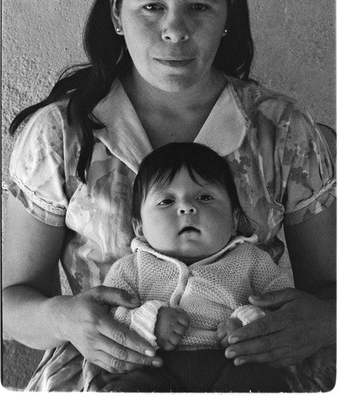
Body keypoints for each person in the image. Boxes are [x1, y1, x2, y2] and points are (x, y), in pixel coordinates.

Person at [3, 0, 335, 392]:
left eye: (199, 6)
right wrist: (64, 320)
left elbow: (327, 287)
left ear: (228, 15)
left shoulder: (282, 130)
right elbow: (11, 303)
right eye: (152, 5)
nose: (175, 30)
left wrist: (326, 320)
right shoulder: (61, 134)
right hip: (107, 378)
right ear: (117, 13)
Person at [80, 141, 293, 392]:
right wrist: (150, 322)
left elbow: (282, 305)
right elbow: (111, 318)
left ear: (234, 220)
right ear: (139, 227)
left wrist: (245, 325)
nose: (186, 207)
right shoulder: (130, 269)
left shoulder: (252, 260)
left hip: (233, 363)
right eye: (166, 201)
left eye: (204, 197)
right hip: (152, 364)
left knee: (263, 380)